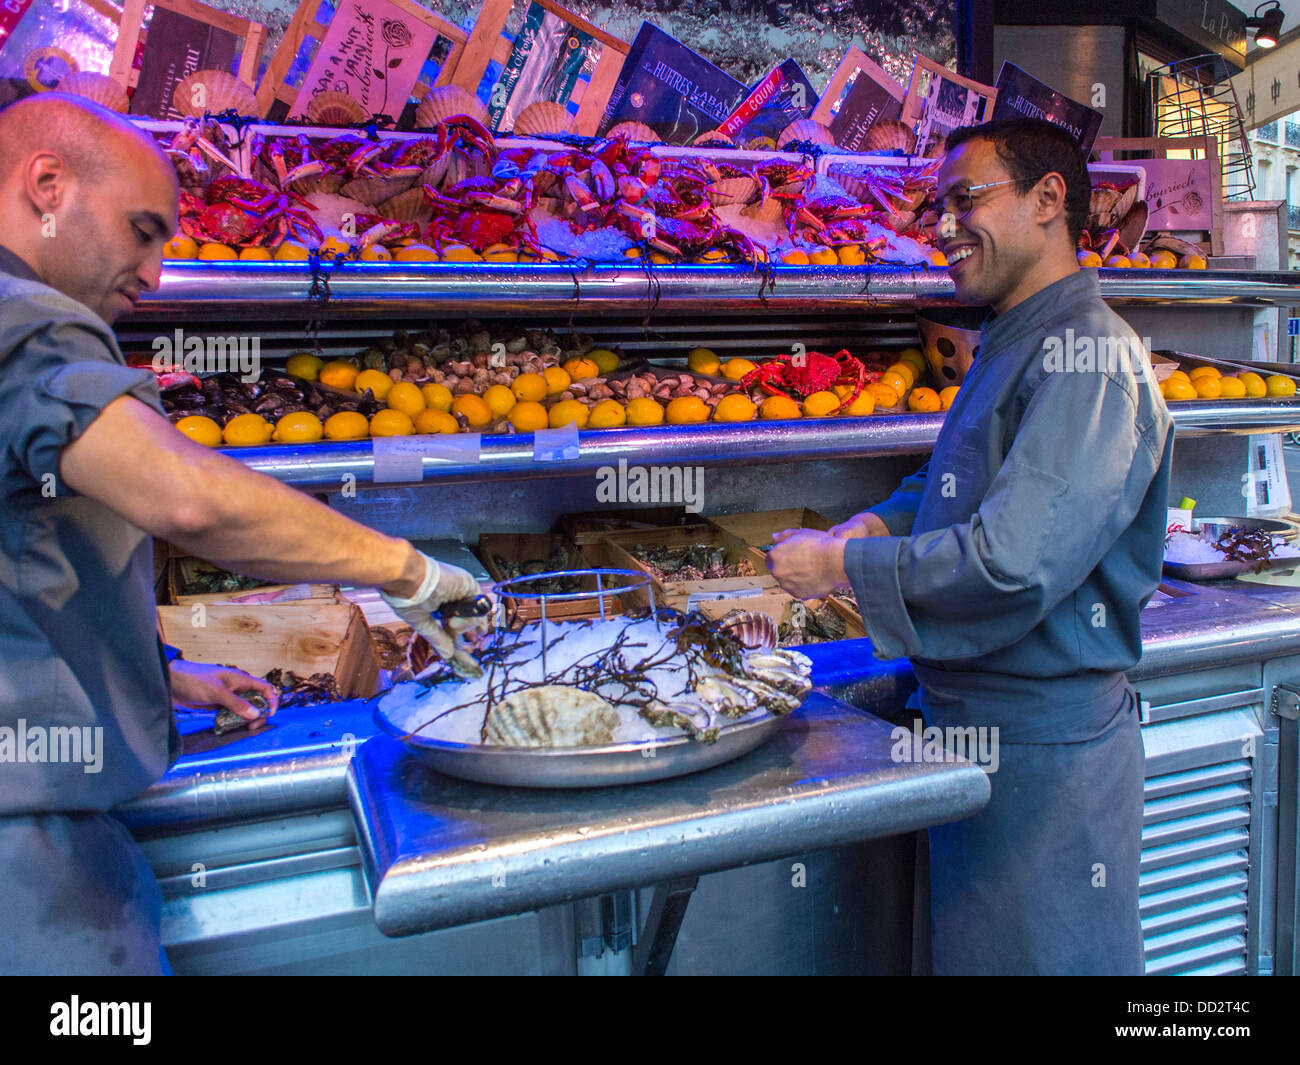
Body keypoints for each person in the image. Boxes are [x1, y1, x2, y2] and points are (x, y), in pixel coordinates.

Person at [0, 94, 486, 975]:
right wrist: (405, 570)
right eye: (142, 230)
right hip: (23, 848)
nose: (154, 271)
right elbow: (186, 496)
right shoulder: (26, 320)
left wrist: (163, 673)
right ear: (46, 185)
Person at [768, 118, 1174, 975]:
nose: (943, 225)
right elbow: (955, 480)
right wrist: (874, 524)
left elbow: (1010, 562)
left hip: (1044, 766)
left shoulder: (1090, 357)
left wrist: (840, 566)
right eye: (938, 205)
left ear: (1049, 200)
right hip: (976, 735)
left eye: (967, 199)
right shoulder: (1015, 335)